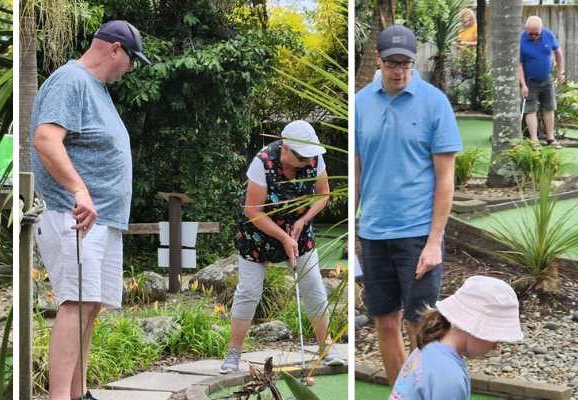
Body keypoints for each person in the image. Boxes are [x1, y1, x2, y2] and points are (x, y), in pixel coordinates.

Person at [30, 20, 149, 400]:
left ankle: (80, 393)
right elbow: (46, 140)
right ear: (115, 49)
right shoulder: (71, 80)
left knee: (90, 305)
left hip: (101, 219)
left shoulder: (94, 88)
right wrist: (79, 189)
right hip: (74, 214)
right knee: (76, 304)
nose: (131, 68)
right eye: (132, 59)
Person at [355, 25, 461, 386]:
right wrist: (351, 231)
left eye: (406, 63)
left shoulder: (435, 103)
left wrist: (435, 241)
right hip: (372, 232)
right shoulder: (360, 104)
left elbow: (446, 179)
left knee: (422, 326)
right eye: (391, 63)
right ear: (380, 62)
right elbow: (355, 171)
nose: (399, 71)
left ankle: (427, 393)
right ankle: (402, 394)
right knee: (384, 321)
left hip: (417, 234)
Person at [219, 120, 346, 374]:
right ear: (286, 148)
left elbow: (323, 195)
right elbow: (253, 210)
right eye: (301, 156)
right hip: (259, 234)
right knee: (249, 291)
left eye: (308, 156)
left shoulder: (314, 160)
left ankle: (326, 347)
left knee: (313, 287)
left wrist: (302, 221)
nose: (306, 161)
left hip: (298, 230)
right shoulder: (262, 163)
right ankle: (233, 353)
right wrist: (283, 237)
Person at [389, 276, 524, 399]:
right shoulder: (450, 377)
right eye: (494, 338)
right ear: (474, 329)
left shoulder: (427, 344)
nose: (495, 346)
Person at [519, 16, 565, 147]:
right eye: (530, 34)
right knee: (530, 109)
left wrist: (561, 71)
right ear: (526, 30)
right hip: (530, 81)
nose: (533, 36)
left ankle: (550, 138)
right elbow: (519, 64)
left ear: (541, 29)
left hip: (547, 79)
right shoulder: (521, 40)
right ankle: (534, 140)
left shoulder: (548, 35)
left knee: (549, 108)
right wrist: (523, 84)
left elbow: (558, 52)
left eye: (536, 34)